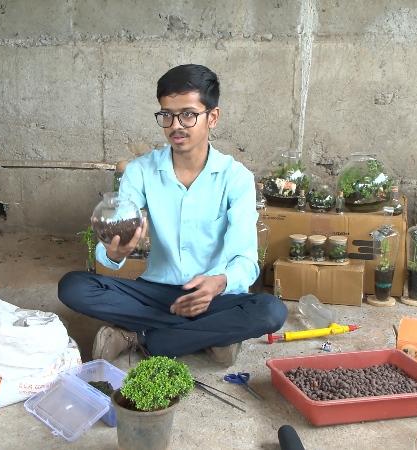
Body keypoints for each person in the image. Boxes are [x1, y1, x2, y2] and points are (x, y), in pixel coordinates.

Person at [58, 64, 286, 366]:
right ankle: (209, 338)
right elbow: (114, 235)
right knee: (73, 286)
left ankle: (142, 337)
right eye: (167, 114)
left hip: (213, 296)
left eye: (188, 114)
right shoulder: (141, 171)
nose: (176, 125)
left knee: (271, 311)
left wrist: (219, 282)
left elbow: (245, 259)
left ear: (212, 117)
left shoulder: (235, 177)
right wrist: (115, 252)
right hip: (154, 292)